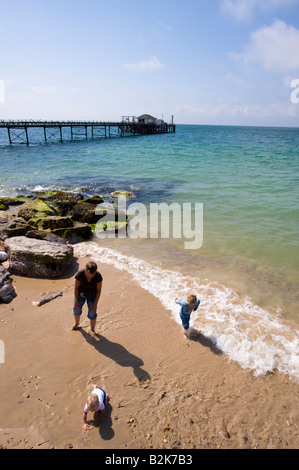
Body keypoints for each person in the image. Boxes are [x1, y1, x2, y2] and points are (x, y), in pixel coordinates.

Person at [72, 261, 103, 333]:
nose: (89, 277)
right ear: (85, 270)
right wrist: (76, 300)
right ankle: (77, 323)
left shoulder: (98, 276)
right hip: (80, 293)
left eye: (92, 275)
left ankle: (92, 329)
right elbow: (76, 288)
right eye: (88, 274)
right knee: (76, 309)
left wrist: (95, 304)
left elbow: (99, 290)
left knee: (92, 312)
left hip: (92, 294)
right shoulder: (80, 274)